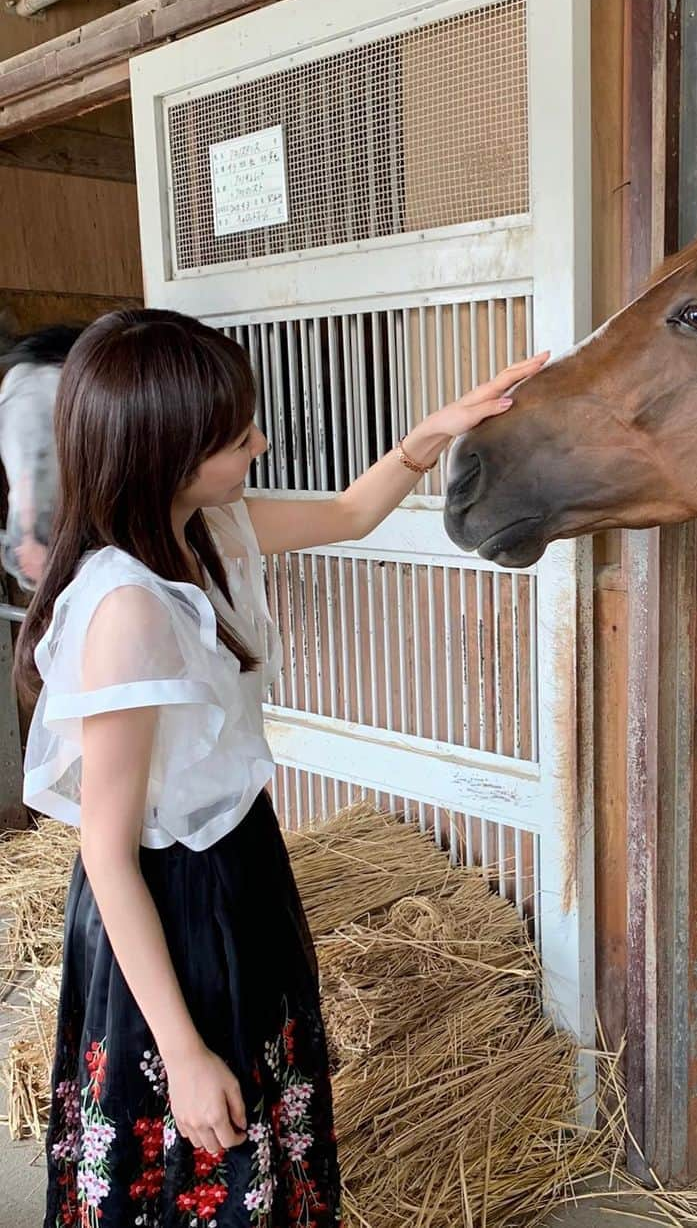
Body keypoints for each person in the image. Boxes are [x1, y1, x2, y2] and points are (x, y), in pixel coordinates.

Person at [13, 308, 547, 1228]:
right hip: (168, 901)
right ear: (165, 451)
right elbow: (107, 857)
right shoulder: (128, 610)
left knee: (264, 1106)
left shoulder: (206, 526)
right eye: (235, 433)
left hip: (238, 863)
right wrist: (179, 1052)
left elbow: (347, 512)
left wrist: (428, 437)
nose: (261, 440)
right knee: (193, 1144)